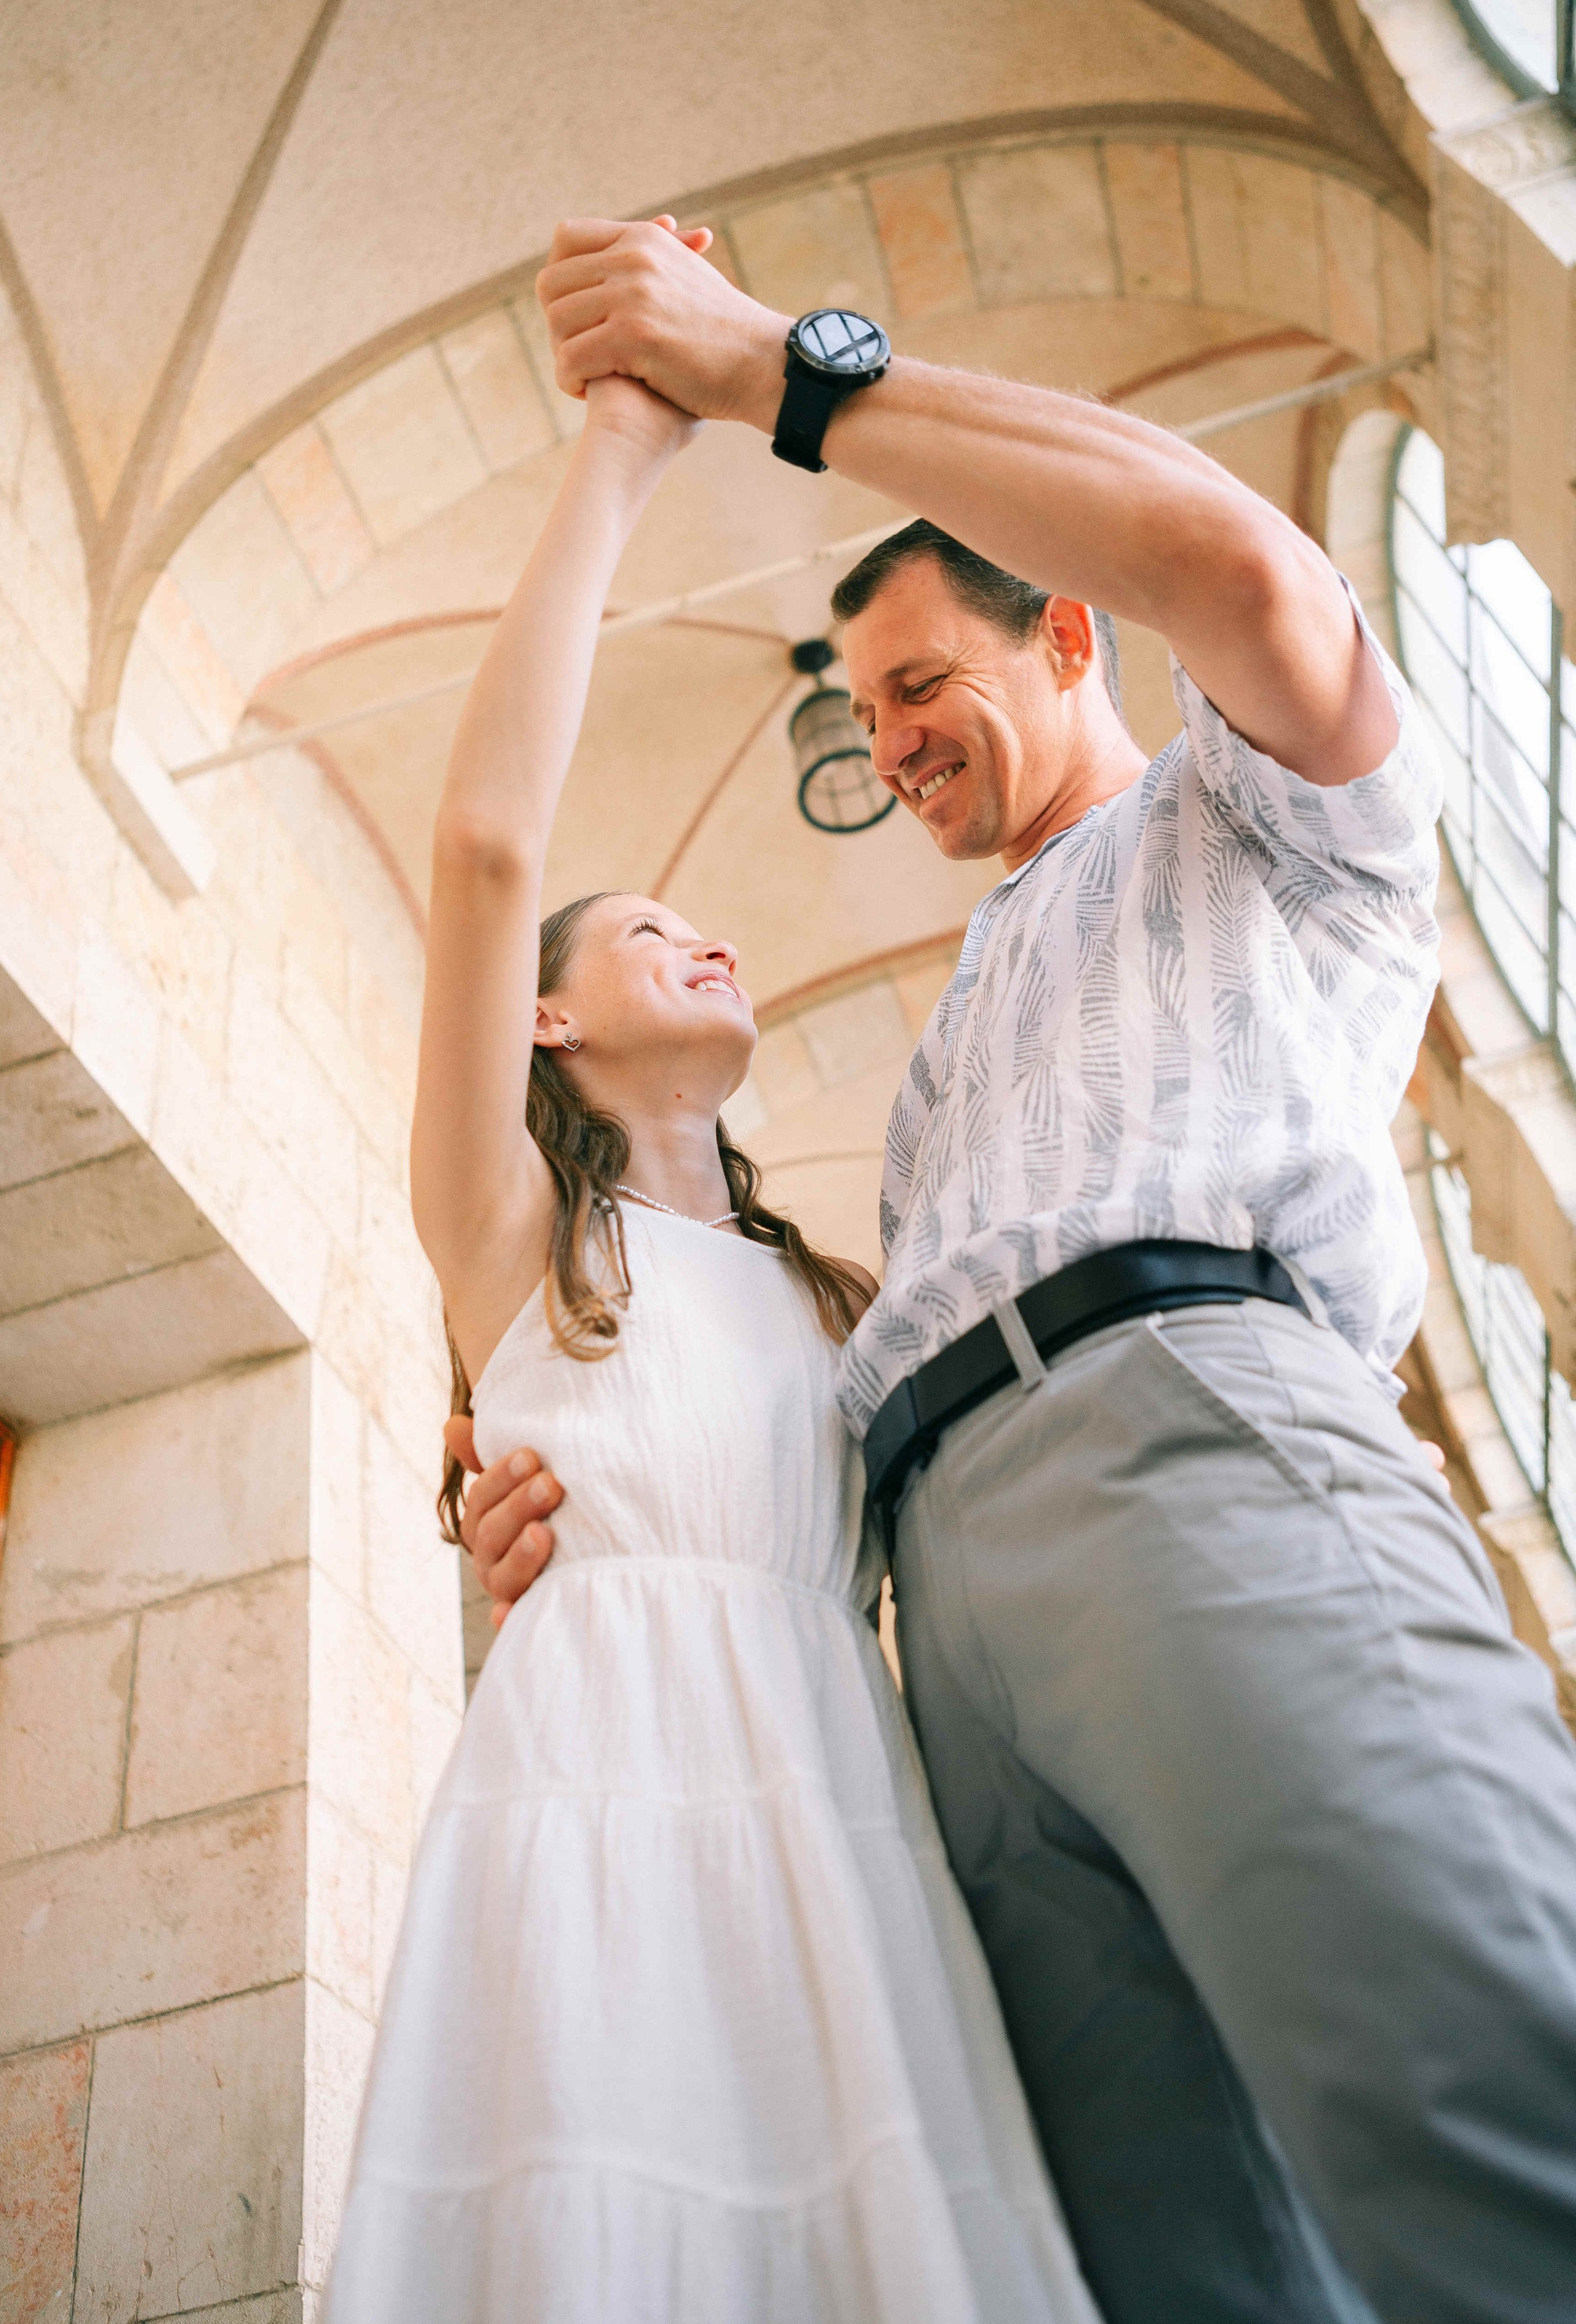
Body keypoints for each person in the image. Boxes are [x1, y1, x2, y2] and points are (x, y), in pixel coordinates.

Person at [459, 217, 1576, 2324]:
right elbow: (740, 1375)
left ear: (1067, 633)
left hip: (1193, 1446)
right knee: (1173, 2267)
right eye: (864, 712)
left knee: (1470, 2072)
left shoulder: (1268, 816)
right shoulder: (960, 1032)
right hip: (942, 1634)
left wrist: (779, 371)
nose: (883, 746)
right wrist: (541, 1479)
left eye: (913, 686)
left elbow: (1237, 567)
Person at [322, 233, 1104, 2323]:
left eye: (714, 924)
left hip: (835, 1805)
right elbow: (490, 841)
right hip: (594, 1798)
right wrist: (626, 447)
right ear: (550, 1026)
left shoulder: (851, 1298)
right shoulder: (509, 1233)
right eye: (649, 929)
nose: (710, 940)